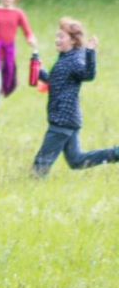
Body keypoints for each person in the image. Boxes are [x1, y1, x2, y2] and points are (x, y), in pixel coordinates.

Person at [31, 18, 119, 177]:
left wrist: (90, 52)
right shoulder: (65, 58)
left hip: (62, 120)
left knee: (41, 163)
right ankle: (116, 153)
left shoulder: (74, 59)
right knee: (76, 160)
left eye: (61, 36)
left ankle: (33, 184)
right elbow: (57, 82)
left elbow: (88, 74)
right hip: (68, 119)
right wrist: (40, 71)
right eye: (57, 36)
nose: (57, 39)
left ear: (73, 40)